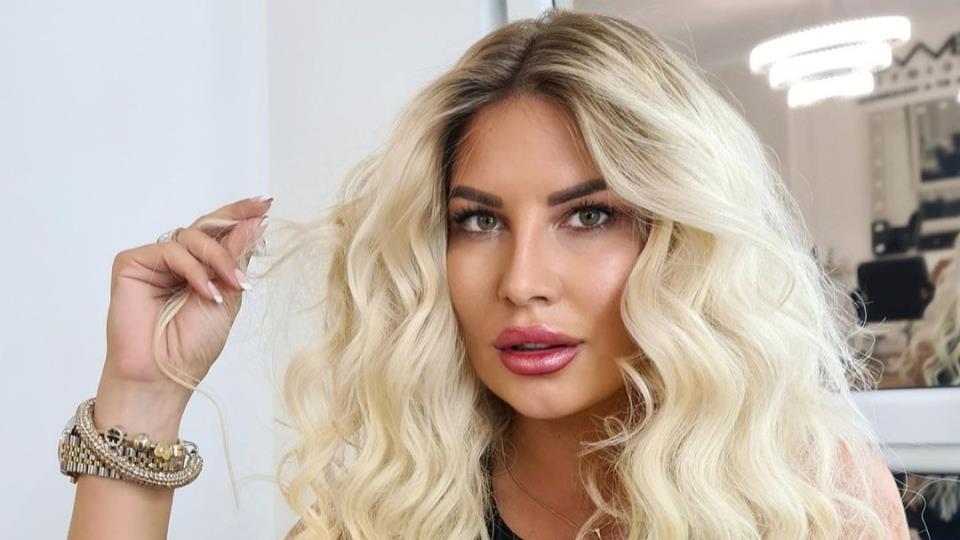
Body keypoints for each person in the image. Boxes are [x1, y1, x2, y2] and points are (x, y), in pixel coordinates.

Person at [64, 9, 910, 540]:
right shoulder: (386, 515)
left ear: (680, 239)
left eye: (589, 215)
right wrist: (143, 391)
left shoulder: (809, 500)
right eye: (478, 221)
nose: (522, 280)